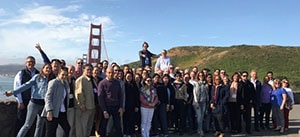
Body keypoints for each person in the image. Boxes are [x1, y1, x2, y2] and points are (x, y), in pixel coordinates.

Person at [4, 64, 52, 137]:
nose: (48, 70)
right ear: (43, 69)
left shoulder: (51, 80)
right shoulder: (37, 77)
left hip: (44, 105)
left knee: (39, 126)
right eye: (47, 68)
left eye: (50, 68)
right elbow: (26, 85)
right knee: (27, 125)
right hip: (34, 104)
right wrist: (13, 92)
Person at [13, 56, 40, 137]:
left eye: (32, 61)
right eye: (28, 61)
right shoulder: (21, 73)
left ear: (35, 63)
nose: (30, 63)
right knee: (21, 121)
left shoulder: (38, 74)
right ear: (26, 63)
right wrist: (20, 101)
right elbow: (17, 87)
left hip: (34, 102)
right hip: (24, 101)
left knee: (32, 124)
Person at [41, 67, 70, 137]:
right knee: (50, 133)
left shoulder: (65, 83)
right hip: (52, 111)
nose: (64, 76)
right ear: (58, 74)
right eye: (63, 74)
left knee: (67, 128)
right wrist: (49, 110)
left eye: (66, 75)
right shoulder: (53, 82)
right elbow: (48, 97)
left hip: (61, 111)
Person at [98, 67, 124, 137]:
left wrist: (121, 107)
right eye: (109, 72)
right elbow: (101, 98)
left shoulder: (117, 83)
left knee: (118, 126)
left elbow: (120, 95)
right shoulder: (102, 83)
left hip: (116, 107)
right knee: (103, 126)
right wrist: (104, 110)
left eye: (112, 72)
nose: (111, 74)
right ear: (106, 73)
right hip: (107, 107)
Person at [74, 64, 96, 137]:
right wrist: (82, 105)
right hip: (84, 108)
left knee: (89, 126)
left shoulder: (93, 79)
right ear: (83, 70)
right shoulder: (81, 80)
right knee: (82, 126)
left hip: (92, 107)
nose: (89, 71)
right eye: (87, 69)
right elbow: (78, 93)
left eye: (90, 69)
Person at [123, 72, 140, 136]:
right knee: (125, 120)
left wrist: (137, 106)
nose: (128, 77)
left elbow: (137, 96)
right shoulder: (124, 85)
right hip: (125, 105)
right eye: (127, 76)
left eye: (130, 76)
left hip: (133, 106)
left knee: (132, 120)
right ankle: (125, 133)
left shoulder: (134, 85)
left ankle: (131, 133)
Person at [193, 71, 208, 137]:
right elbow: (195, 93)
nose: (201, 77)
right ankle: (200, 131)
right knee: (199, 117)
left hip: (204, 102)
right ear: (198, 76)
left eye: (202, 75)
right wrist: (196, 102)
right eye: (200, 75)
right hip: (197, 102)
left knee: (202, 117)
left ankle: (199, 129)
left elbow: (206, 94)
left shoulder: (205, 84)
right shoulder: (196, 84)